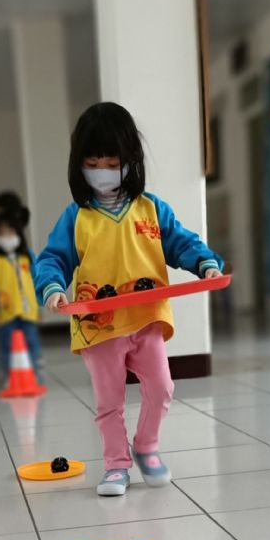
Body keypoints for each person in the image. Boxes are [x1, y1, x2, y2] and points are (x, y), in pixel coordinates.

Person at [36, 102, 223, 497]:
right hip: (100, 327)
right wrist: (52, 287)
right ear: (79, 165)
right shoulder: (76, 217)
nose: (102, 170)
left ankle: (146, 447)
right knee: (109, 401)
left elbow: (181, 243)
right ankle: (116, 465)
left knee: (162, 387)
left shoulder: (151, 209)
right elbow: (53, 259)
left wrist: (205, 263)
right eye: (93, 163)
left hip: (146, 317)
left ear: (130, 161)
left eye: (112, 162)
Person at [0, 204, 42, 381]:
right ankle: (10, 376)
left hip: (28, 311)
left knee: (31, 342)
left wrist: (39, 304)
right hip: (5, 311)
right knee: (7, 344)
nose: (6, 237)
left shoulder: (27, 257)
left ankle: (33, 373)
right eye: (1, 233)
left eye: (10, 232)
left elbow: (36, 280)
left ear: (18, 234)